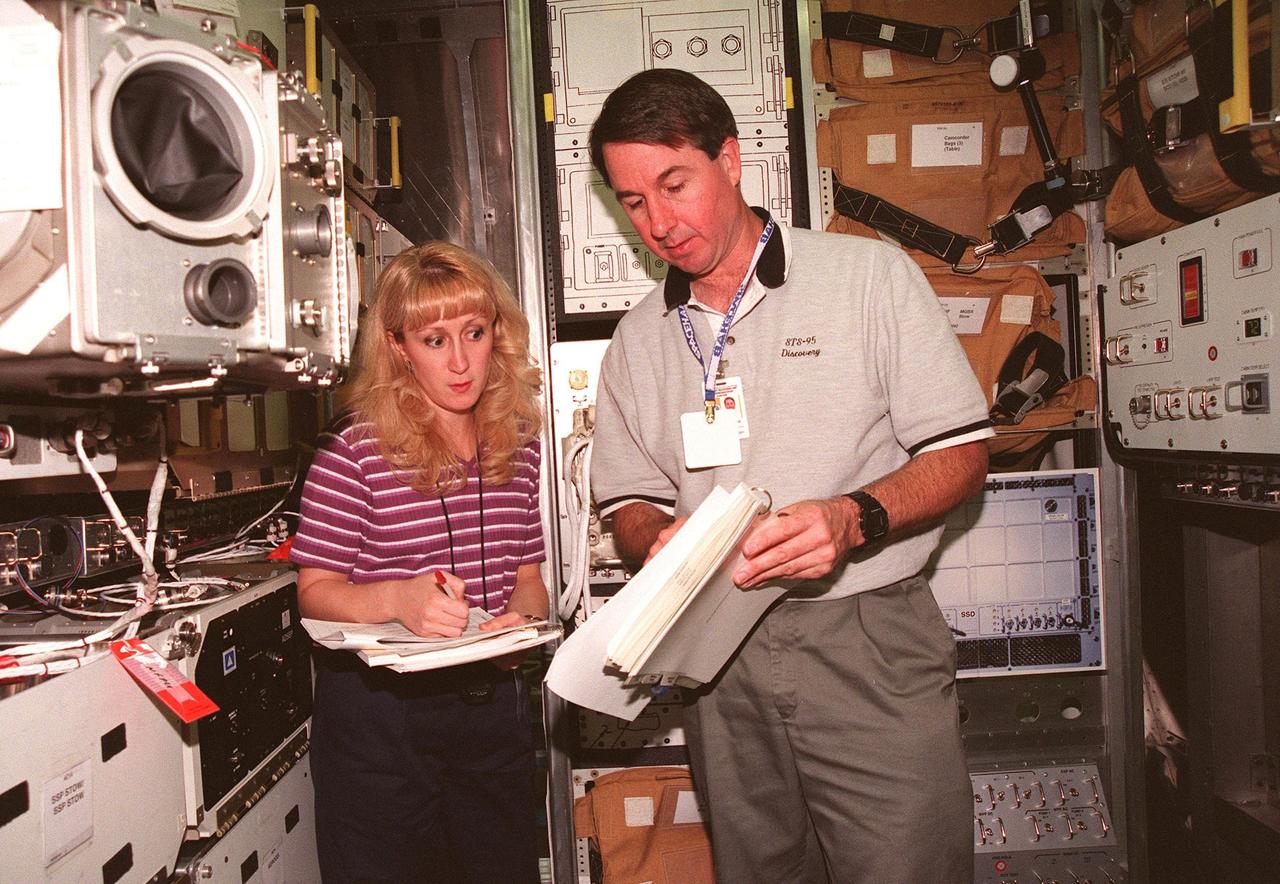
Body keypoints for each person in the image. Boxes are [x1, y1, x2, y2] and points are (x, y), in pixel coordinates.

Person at [588, 69, 994, 882]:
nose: (661, 223)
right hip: (717, 657)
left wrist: (853, 518)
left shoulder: (867, 279)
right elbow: (626, 497)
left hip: (868, 641)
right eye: (634, 203)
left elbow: (962, 453)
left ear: (730, 160)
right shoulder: (639, 337)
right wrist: (654, 542)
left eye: (675, 184)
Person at [289, 242, 547, 884]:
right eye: (435, 340)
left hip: (495, 720)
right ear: (400, 347)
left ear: (498, 335)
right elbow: (315, 592)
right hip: (383, 730)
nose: (461, 362)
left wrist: (519, 624)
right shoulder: (354, 453)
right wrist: (400, 599)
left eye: (474, 333)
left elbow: (529, 578)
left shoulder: (519, 446)